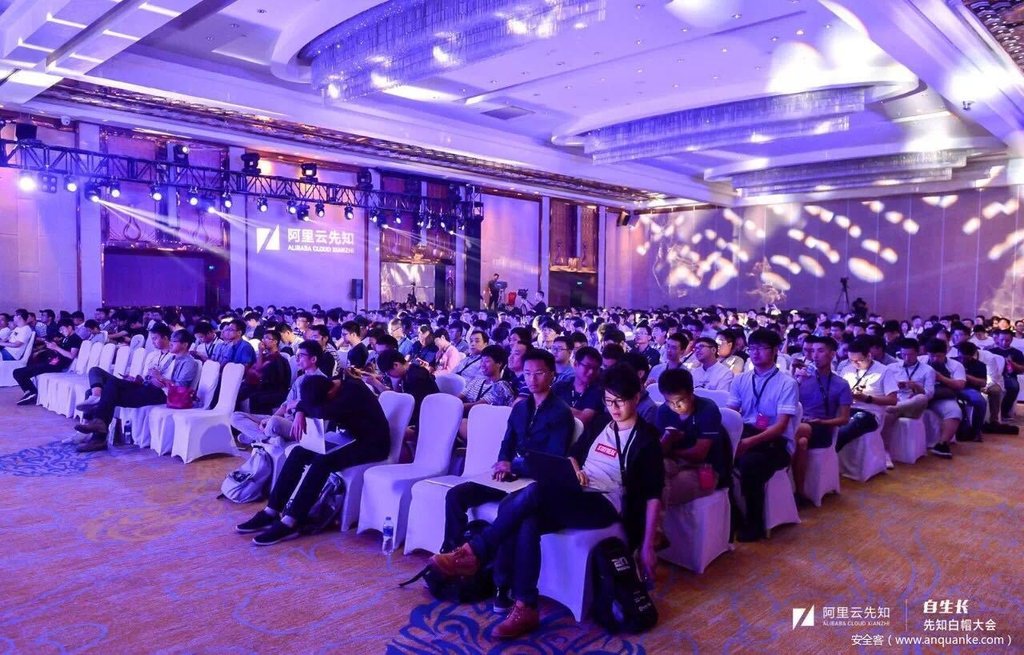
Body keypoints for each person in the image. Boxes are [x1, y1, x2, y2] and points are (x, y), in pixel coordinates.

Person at [429, 363, 663, 640]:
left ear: (636, 397)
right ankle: (526, 606)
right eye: (608, 400)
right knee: (528, 518)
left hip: (605, 503)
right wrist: (574, 470)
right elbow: (574, 455)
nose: (613, 407)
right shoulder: (602, 422)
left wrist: (647, 545)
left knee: (535, 492)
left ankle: (476, 552)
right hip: (578, 490)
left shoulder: (647, 440)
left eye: (620, 401)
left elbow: (652, 495)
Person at [442, 349, 574, 552]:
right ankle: (453, 550)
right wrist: (503, 460)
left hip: (534, 482)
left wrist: (513, 466)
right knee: (456, 495)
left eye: (539, 373)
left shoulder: (561, 412)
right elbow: (508, 440)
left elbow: (552, 458)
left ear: (551, 375)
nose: (532, 379)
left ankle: (480, 556)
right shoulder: (521, 408)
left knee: (509, 507)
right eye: (527, 373)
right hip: (510, 474)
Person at [235, 374, 391, 545]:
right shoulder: (329, 385)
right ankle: (271, 511)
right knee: (298, 452)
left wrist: (299, 407)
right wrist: (300, 411)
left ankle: (292, 520)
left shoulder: (354, 391)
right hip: (349, 437)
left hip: (373, 444)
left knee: (323, 462)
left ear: (330, 393)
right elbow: (311, 405)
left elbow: (321, 411)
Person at [74, 326, 200, 452]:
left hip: (162, 395)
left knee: (109, 387)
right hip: (149, 388)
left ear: (184, 344)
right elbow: (157, 378)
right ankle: (97, 433)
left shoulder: (189, 362)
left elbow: (181, 387)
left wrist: (159, 378)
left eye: (174, 341)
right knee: (104, 387)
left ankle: (97, 435)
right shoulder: (172, 358)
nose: (171, 343)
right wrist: (143, 379)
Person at [726, 329, 798, 542]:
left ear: (775, 351)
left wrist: (747, 443)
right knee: (716, 456)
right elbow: (731, 413)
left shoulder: (786, 383)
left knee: (751, 464)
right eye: (752, 348)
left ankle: (755, 523)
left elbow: (781, 426)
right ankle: (733, 516)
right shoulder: (741, 380)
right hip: (747, 432)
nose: (755, 353)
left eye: (761, 348)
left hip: (775, 442)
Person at [655, 368, 732, 506]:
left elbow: (699, 454)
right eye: (669, 401)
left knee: (660, 492)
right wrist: (667, 438)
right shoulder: (664, 411)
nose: (675, 406)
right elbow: (659, 452)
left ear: (691, 393)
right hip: (675, 462)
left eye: (680, 400)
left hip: (705, 469)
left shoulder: (707, 409)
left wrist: (671, 451)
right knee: (646, 477)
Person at [231, 340, 326, 446]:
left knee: (274, 423)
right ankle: (267, 439)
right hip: (284, 419)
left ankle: (256, 437)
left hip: (298, 426)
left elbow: (314, 409)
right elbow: (286, 405)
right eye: (296, 356)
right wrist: (269, 419)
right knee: (235, 416)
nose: (297, 359)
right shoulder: (300, 379)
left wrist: (273, 419)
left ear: (313, 359)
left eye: (301, 356)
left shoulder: (322, 381)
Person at [791, 336, 851, 497]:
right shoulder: (804, 377)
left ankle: (779, 470)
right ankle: (799, 492)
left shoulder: (841, 384)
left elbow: (845, 419)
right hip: (801, 425)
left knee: (800, 430)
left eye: (820, 351)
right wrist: (793, 375)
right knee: (802, 442)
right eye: (813, 351)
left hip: (822, 428)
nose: (815, 355)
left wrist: (822, 422)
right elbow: (791, 402)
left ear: (832, 354)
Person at [13, 318, 82, 405]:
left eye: (62, 329)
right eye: (60, 330)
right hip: (52, 362)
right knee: (19, 371)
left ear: (70, 327)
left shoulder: (76, 339)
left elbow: (71, 355)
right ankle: (29, 392)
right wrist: (53, 348)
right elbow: (61, 351)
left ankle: (32, 392)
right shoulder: (67, 338)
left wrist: (56, 348)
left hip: (57, 366)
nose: (61, 331)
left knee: (18, 373)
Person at [924, 338, 965, 459]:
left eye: (938, 356)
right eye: (932, 356)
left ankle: (942, 444)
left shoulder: (956, 365)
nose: (935, 359)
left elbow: (960, 385)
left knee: (954, 411)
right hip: (921, 395)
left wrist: (941, 378)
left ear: (945, 353)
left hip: (942, 397)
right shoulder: (920, 362)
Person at [552, 346, 604, 434]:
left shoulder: (598, 391)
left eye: (595, 368)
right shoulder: (560, 386)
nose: (591, 372)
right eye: (587, 366)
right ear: (575, 364)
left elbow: (583, 419)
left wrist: (555, 407)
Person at [988, 329, 1024, 422]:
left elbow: (1022, 369)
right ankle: (992, 414)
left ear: (1011, 340)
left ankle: (1004, 412)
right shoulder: (990, 351)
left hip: (1008, 376)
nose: (1004, 342)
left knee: (1014, 387)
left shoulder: (1017, 352)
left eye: (1007, 340)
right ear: (997, 339)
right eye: (1002, 339)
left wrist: (1012, 363)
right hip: (992, 375)